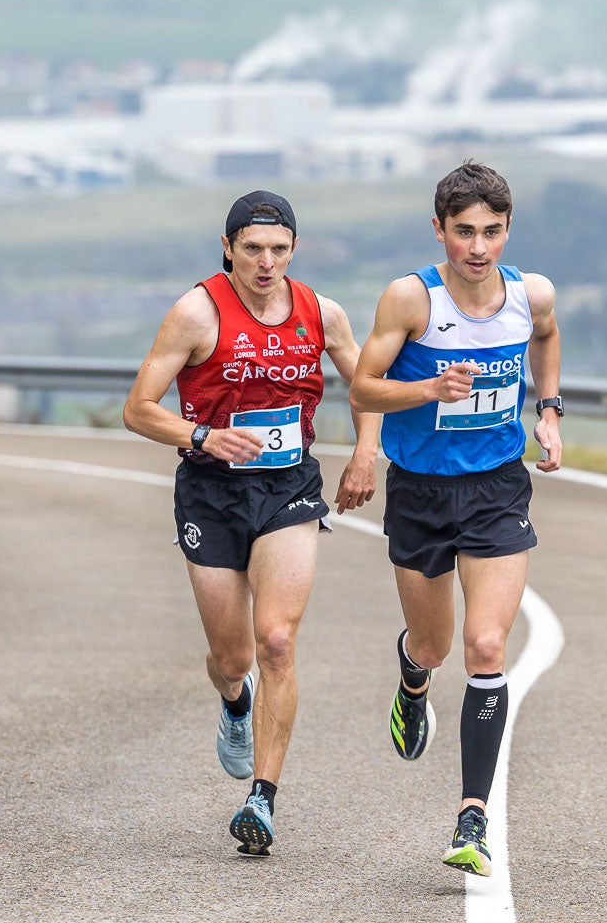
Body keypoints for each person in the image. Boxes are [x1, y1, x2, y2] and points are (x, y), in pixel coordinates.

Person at [123, 189, 381, 858]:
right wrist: (201, 434)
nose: (265, 262)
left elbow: (365, 387)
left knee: (274, 640)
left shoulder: (321, 313)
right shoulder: (194, 312)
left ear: (294, 249)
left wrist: (363, 453)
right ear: (227, 247)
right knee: (233, 657)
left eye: (278, 249)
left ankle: (261, 797)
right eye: (251, 249)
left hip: (288, 487)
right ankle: (234, 701)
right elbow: (139, 408)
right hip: (210, 492)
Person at [348, 161, 563, 878]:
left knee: (484, 644)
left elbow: (546, 335)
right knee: (436, 644)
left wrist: (549, 411)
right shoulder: (412, 298)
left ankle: (472, 815)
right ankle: (412, 678)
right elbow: (362, 387)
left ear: (508, 230)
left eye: (492, 232)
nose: (478, 247)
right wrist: (428, 387)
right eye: (464, 231)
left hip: (497, 487)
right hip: (420, 491)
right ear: (438, 229)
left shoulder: (529, 293)